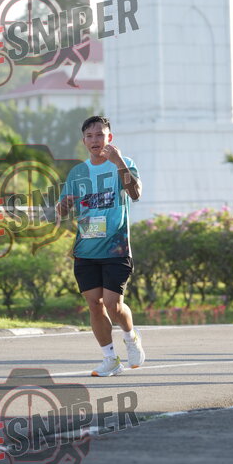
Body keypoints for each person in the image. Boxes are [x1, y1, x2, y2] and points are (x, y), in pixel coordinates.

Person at [57, 115, 145, 376]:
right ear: (84, 141)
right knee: (94, 305)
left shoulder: (124, 164)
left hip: (116, 248)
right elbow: (62, 209)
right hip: (85, 249)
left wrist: (118, 163)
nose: (95, 140)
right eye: (90, 136)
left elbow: (135, 193)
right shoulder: (78, 173)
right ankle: (110, 359)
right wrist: (63, 206)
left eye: (100, 135)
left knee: (112, 304)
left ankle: (131, 337)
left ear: (110, 138)